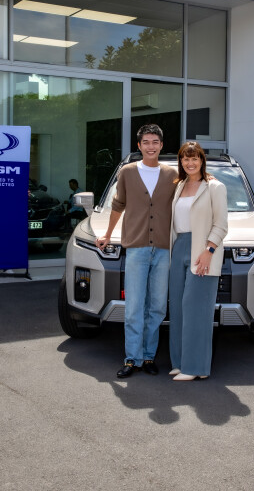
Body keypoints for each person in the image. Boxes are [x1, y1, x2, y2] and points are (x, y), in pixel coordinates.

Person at [96, 124, 177, 378]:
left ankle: (149, 356)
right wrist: (108, 234)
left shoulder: (172, 175)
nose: (151, 146)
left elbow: (188, 196)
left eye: (155, 142)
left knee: (157, 307)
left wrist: (209, 179)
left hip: (163, 250)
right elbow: (118, 205)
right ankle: (132, 358)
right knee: (133, 306)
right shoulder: (128, 172)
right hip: (136, 249)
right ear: (139, 145)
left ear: (161, 145)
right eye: (146, 142)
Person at [168, 141, 228, 381]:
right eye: (185, 158)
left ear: (202, 160)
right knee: (178, 309)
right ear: (181, 161)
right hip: (179, 247)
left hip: (203, 250)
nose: (190, 162)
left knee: (197, 311)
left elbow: (221, 224)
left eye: (194, 158)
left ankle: (195, 368)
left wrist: (208, 250)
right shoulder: (179, 186)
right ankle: (180, 363)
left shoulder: (215, 187)